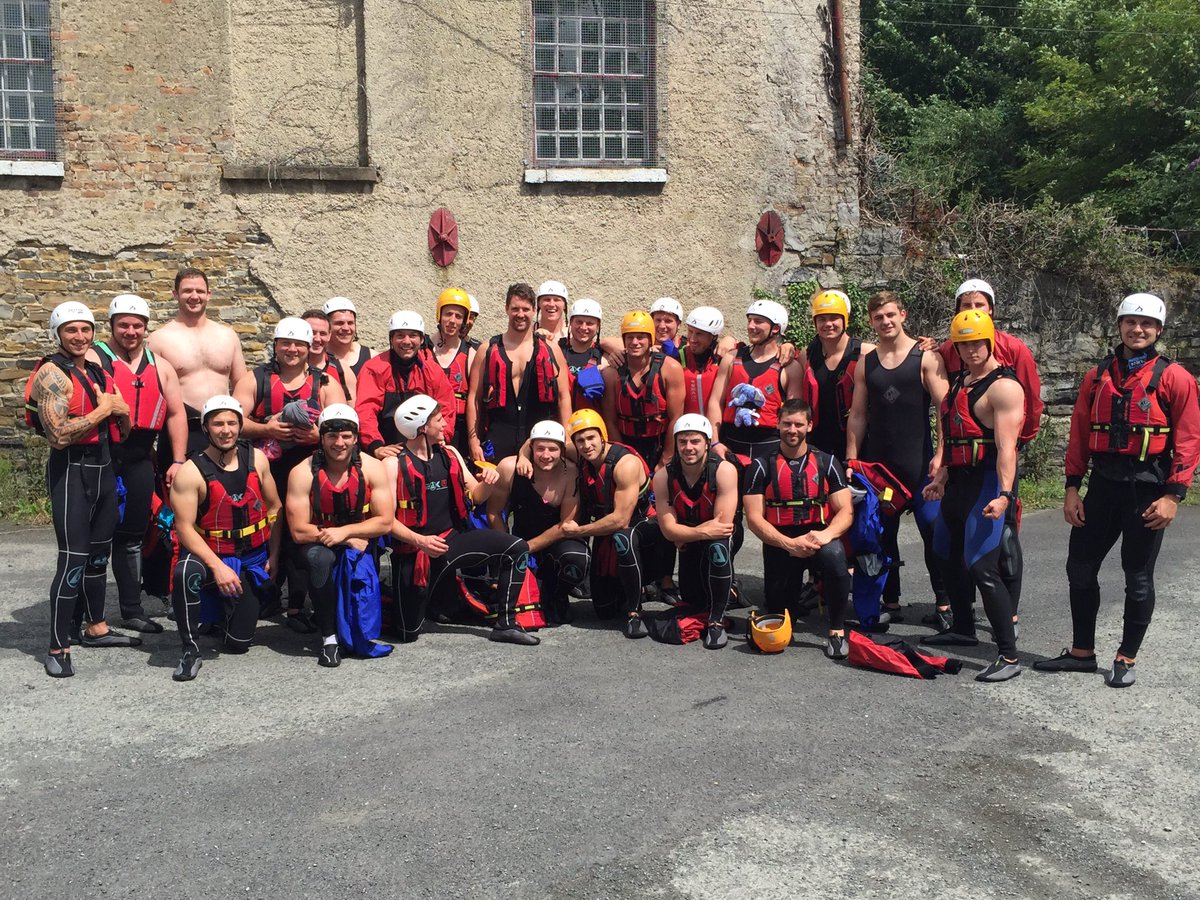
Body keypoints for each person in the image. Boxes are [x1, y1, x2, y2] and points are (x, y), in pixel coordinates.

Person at [1035, 293, 1200, 688]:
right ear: (1120, 326)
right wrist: (1072, 487)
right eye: (1130, 322)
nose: (1137, 329)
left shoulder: (1174, 377)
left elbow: (1190, 440)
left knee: (1137, 576)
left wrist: (1173, 495)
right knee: (1079, 568)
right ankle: (1081, 653)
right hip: (1103, 488)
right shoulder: (1098, 376)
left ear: (1158, 330)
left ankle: (1126, 657)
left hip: (1148, 492)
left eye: (1146, 325)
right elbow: (1078, 433)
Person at [26, 302, 137, 677]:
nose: (79, 337)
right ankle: (58, 645)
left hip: (104, 469)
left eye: (85, 330)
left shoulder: (96, 369)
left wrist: (117, 410)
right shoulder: (51, 374)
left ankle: (96, 626)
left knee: (98, 557)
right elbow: (57, 435)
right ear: (58, 334)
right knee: (73, 558)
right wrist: (105, 410)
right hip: (72, 473)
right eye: (71, 331)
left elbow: (124, 423)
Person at [928, 278, 1043, 631]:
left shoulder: (1014, 351)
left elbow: (1031, 404)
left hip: (994, 463)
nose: (970, 348)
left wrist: (1008, 449)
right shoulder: (949, 351)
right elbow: (951, 412)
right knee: (950, 546)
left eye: (979, 305)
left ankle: (1008, 615)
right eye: (965, 305)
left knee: (1001, 542)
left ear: (990, 310)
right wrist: (945, 465)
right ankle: (964, 624)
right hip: (961, 465)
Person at [384, 395, 540, 646]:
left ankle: (506, 624)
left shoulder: (451, 453)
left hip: (453, 539)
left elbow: (476, 496)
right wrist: (421, 540)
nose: (445, 424)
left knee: (517, 547)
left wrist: (489, 482)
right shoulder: (392, 465)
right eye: (438, 419)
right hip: (415, 551)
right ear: (422, 428)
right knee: (407, 633)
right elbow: (385, 521)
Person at [922, 311, 1025, 682]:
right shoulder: (961, 381)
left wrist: (1004, 495)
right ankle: (963, 628)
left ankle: (1009, 656)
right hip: (958, 483)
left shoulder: (1004, 388)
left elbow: (1006, 449)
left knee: (982, 566)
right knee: (945, 553)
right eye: (963, 344)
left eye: (976, 342)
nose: (970, 350)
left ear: (990, 341)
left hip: (985, 485)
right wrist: (943, 476)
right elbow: (956, 437)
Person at [845, 291, 950, 625]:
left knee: (934, 531)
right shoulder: (867, 361)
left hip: (920, 468)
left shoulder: (925, 356)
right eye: (878, 317)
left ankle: (945, 603)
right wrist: (852, 461)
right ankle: (890, 602)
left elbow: (945, 409)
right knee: (881, 535)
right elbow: (858, 414)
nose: (885, 322)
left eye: (891, 315)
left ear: (903, 315)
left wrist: (942, 455)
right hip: (881, 472)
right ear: (871, 322)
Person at [234, 316, 346, 629]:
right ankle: (265, 594)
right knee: (266, 531)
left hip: (310, 468)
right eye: (287, 343)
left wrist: (317, 436)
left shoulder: (325, 383)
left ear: (309, 346)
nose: (293, 350)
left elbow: (342, 424)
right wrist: (266, 427)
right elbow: (233, 421)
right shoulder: (255, 379)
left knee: (302, 533)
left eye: (299, 344)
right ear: (276, 345)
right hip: (266, 468)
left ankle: (297, 605)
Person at [90, 294, 188, 633]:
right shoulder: (93, 358)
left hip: (140, 456)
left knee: (132, 536)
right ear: (112, 326)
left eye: (137, 325)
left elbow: (176, 414)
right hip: (101, 455)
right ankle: (89, 614)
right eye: (124, 325)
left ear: (145, 328)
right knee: (97, 537)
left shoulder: (160, 365)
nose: (130, 331)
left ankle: (131, 609)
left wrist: (177, 459)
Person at [168, 395, 282, 681]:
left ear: (241, 425)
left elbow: (275, 507)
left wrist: (275, 555)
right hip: (214, 555)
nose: (226, 430)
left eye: (232, 423)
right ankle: (190, 648)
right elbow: (184, 528)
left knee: (239, 644)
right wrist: (218, 567)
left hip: (251, 557)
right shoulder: (190, 473)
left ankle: (218, 617)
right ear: (206, 428)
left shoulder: (257, 459)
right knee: (185, 572)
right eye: (218, 424)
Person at [285, 404, 395, 667]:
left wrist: (346, 533)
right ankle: (329, 637)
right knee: (321, 559)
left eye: (346, 436)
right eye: (332, 436)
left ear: (356, 438)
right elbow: (299, 531)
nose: (339, 443)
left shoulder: (372, 467)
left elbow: (385, 521)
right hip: (315, 542)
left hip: (357, 536)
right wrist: (342, 537)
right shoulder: (302, 472)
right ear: (321, 438)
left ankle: (354, 628)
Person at [744, 399, 854, 660]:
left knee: (835, 558)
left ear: (810, 426)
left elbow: (846, 511)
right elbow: (754, 519)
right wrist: (787, 544)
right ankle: (791, 603)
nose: (792, 430)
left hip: (818, 536)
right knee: (780, 616)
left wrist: (825, 535)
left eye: (798, 424)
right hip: (781, 541)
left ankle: (836, 630)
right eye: (786, 424)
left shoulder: (827, 462)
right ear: (777, 424)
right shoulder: (760, 466)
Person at [560, 409, 671, 636]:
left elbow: (621, 520)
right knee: (604, 610)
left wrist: (579, 531)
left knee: (624, 538)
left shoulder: (625, 464)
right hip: (606, 528)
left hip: (642, 527)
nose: (586, 445)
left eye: (591, 438)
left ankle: (635, 612)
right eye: (579, 440)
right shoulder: (580, 453)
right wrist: (523, 456)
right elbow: (535, 442)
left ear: (602, 436)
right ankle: (631, 589)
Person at [487, 420, 589, 624]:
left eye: (552, 449)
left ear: (562, 450)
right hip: (520, 539)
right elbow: (494, 512)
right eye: (540, 448)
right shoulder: (508, 467)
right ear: (530, 447)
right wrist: (509, 547)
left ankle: (557, 593)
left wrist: (527, 548)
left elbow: (565, 526)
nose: (546, 455)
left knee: (578, 558)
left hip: (555, 542)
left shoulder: (571, 473)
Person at [146, 267, 248, 469]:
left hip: (224, 429)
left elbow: (242, 386)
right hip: (184, 432)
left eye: (200, 291)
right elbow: (151, 396)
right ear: (175, 294)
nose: (194, 296)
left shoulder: (227, 335)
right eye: (187, 291)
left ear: (209, 294)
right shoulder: (159, 340)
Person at [652, 415, 738, 649]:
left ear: (707, 443)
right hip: (690, 538)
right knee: (693, 599)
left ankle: (717, 622)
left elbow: (722, 526)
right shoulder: (663, 477)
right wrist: (686, 533)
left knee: (718, 546)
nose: (688, 447)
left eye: (695, 441)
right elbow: (668, 530)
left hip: (714, 537)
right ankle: (724, 592)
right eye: (682, 442)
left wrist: (684, 533)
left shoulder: (724, 471)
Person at [467, 283, 572, 463]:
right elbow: (474, 398)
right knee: (496, 489)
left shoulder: (551, 349)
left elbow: (564, 397)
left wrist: (567, 439)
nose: (520, 314)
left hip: (540, 438)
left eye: (525, 309)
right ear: (507, 308)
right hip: (499, 436)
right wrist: (473, 441)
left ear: (534, 311)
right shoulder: (487, 350)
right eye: (515, 309)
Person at [708, 299, 803, 467]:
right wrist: (715, 443)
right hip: (731, 444)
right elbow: (716, 401)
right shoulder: (731, 358)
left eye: (758, 321)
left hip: (770, 448)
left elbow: (795, 415)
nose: (751, 326)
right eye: (749, 320)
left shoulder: (790, 368)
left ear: (775, 328)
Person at [355, 310, 456, 459]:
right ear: (391, 339)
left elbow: (446, 407)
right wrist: (376, 446)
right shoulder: (374, 368)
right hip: (386, 448)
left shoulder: (432, 371)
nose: (407, 341)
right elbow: (365, 410)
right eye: (400, 335)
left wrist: (442, 437)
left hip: (424, 449)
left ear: (422, 340)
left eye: (413, 335)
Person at [798, 289, 874, 462]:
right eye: (822, 319)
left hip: (857, 443)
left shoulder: (866, 353)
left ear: (844, 320)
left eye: (834, 318)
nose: (828, 324)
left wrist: (927, 347)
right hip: (817, 442)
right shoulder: (807, 355)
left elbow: (897, 356)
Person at [602, 310, 685, 470]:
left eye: (641, 337)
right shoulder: (610, 373)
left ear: (651, 339)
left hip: (659, 444)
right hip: (626, 443)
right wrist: (622, 457)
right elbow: (610, 421)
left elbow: (676, 418)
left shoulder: (670, 368)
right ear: (623, 339)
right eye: (630, 337)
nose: (635, 342)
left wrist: (666, 458)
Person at [431, 288, 477, 456]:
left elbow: (475, 400)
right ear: (439, 315)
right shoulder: (423, 349)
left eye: (458, 316)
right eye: (448, 314)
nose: (452, 321)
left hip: (459, 429)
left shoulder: (471, 355)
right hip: (424, 426)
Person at [560, 298, 608, 413]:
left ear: (598, 326)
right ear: (570, 322)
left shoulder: (604, 356)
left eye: (590, 323)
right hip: (560, 421)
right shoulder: (557, 349)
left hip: (590, 425)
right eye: (579, 322)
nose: (583, 327)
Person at [678, 306, 726, 417]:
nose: (693, 339)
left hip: (717, 428)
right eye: (690, 331)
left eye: (699, 334)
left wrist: (731, 338)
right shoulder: (678, 356)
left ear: (714, 336)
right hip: (687, 429)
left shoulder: (725, 358)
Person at [303, 308, 356, 402]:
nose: (317, 339)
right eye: (312, 333)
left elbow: (352, 411)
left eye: (323, 334)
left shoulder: (343, 371)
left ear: (329, 335)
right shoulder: (287, 369)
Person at [323, 296, 373, 377]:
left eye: (350, 323)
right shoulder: (317, 358)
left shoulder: (371, 358)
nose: (346, 328)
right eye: (339, 323)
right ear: (327, 325)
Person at [535, 279, 571, 344]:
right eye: (547, 299)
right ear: (539, 304)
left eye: (557, 300)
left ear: (565, 305)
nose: (551, 304)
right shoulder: (528, 333)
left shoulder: (574, 334)